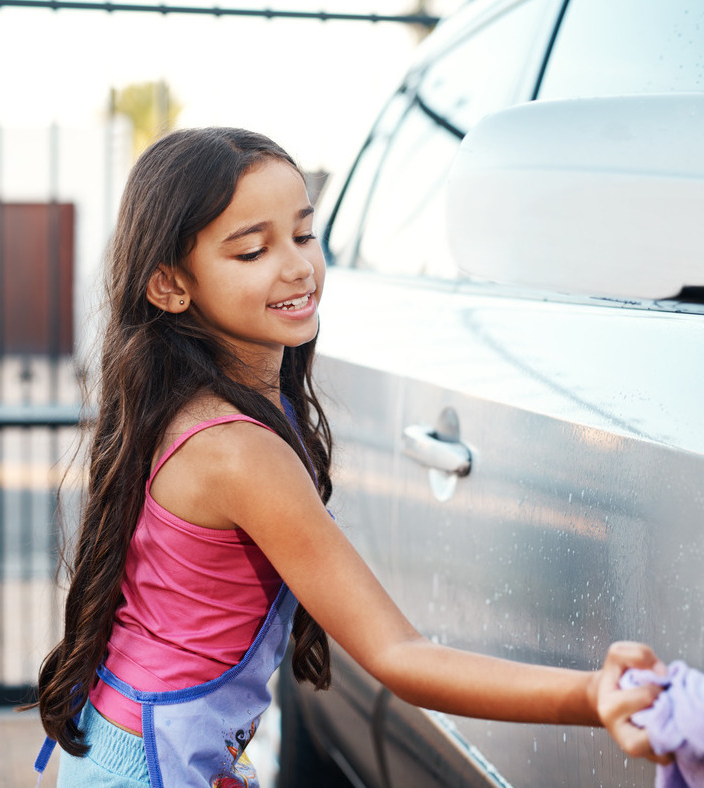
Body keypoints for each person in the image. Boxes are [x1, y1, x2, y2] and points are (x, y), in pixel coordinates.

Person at [34, 127, 668, 787]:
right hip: (152, 766)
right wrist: (594, 694)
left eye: (303, 235)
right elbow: (397, 654)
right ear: (169, 286)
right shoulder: (236, 452)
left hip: (128, 743)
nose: (297, 266)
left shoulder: (196, 406)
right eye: (252, 250)